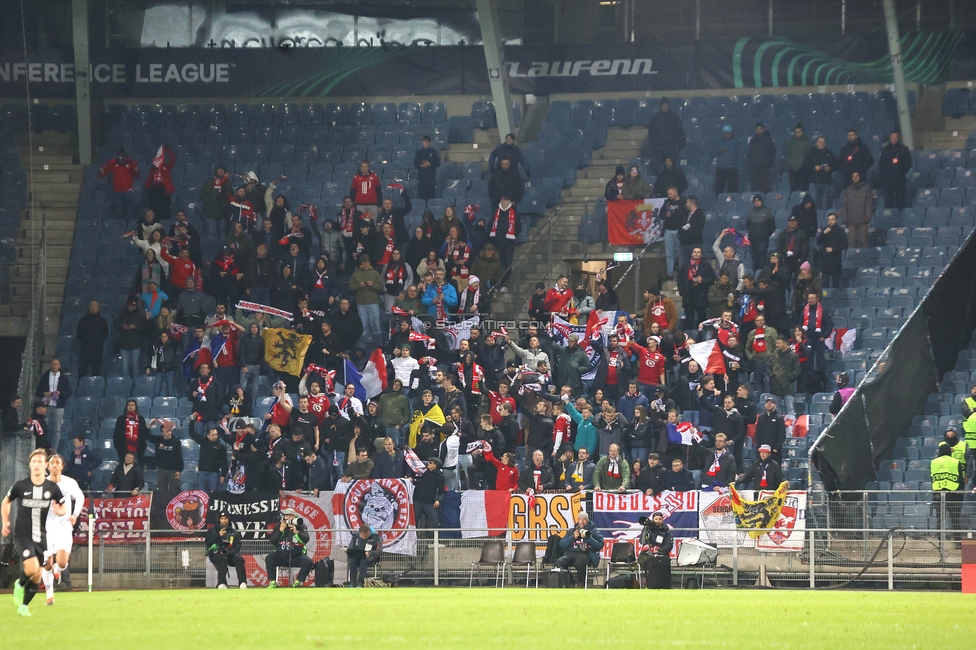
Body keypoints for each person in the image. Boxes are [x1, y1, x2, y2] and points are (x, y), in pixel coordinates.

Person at [2, 449, 67, 616]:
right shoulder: (20, 485)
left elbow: (62, 507)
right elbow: (6, 501)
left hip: (41, 536)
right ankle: (19, 583)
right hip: (23, 535)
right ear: (30, 465)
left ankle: (23, 606)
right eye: (34, 461)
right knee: (32, 568)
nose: (37, 464)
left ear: (45, 465)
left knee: (38, 574)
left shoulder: (52, 487)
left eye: (40, 461)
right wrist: (5, 521)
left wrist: (59, 511)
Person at [39, 454, 84, 602]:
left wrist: (75, 514)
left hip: (64, 525)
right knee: (47, 563)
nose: (54, 465)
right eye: (51, 463)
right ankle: (49, 595)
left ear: (62, 466)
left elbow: (80, 497)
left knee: (62, 562)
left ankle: (57, 572)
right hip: (47, 527)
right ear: (48, 466)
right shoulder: (41, 483)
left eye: (57, 463)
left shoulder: (69, 483)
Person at [265, 509, 313, 587]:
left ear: (295, 517)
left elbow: (305, 540)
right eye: (286, 516)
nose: (288, 518)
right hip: (281, 556)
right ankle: (273, 581)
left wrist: (296, 532)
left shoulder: (301, 526)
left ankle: (298, 582)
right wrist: (281, 530)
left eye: (291, 516)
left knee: (308, 561)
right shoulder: (279, 526)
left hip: (296, 556)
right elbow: (273, 541)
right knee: (269, 558)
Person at [556, 511, 605, 587]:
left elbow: (599, 545)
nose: (582, 522)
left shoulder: (594, 531)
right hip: (570, 553)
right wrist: (573, 537)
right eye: (580, 519)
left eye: (584, 519)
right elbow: (561, 544)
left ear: (587, 521)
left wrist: (588, 538)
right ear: (578, 521)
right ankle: (570, 581)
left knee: (580, 562)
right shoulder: (572, 531)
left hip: (585, 554)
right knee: (559, 562)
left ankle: (581, 583)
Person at [34, 358, 70, 454]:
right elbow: (38, 391)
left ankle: (54, 449)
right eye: (52, 364)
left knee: (57, 429)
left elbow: (68, 392)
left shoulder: (63, 378)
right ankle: (45, 447)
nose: (54, 366)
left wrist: (60, 393)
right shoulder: (45, 376)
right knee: (46, 428)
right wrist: (44, 393)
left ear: (59, 366)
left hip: (58, 406)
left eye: (56, 364)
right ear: (50, 365)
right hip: (47, 405)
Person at [205, 513, 247, 589]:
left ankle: (242, 582)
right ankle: (221, 583)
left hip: (229, 553)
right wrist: (218, 535)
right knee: (222, 559)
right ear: (219, 519)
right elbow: (208, 543)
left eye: (225, 518)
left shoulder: (233, 531)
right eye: (222, 518)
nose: (224, 520)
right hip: (215, 553)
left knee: (239, 559)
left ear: (228, 519)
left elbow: (237, 545)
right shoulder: (213, 530)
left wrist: (230, 552)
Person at [678, 245, 715, 329]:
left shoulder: (706, 265)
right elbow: (680, 279)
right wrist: (682, 292)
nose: (696, 254)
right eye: (694, 252)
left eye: (698, 252)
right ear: (691, 254)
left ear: (701, 254)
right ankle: (689, 338)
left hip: (700, 296)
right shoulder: (685, 265)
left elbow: (713, 279)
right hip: (688, 296)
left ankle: (701, 337)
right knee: (689, 319)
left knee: (701, 319)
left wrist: (703, 280)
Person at [644, 97, 685, 169]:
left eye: (666, 105)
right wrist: (652, 147)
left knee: (671, 169)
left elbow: (679, 131)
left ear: (669, 106)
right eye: (663, 105)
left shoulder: (674, 117)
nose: (665, 107)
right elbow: (651, 133)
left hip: (671, 148)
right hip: (658, 149)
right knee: (656, 168)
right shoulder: (655, 118)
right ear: (660, 106)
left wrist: (680, 144)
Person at [931, 444, 964, 532]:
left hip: (938, 494)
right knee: (955, 519)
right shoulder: (956, 461)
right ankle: (957, 542)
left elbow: (932, 478)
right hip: (953, 494)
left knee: (940, 519)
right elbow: (960, 479)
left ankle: (940, 543)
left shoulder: (934, 462)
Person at [637, 512, 674, 589]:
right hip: (649, 556)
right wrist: (645, 529)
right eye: (656, 519)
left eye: (660, 519)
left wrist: (659, 550)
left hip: (662, 556)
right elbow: (642, 542)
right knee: (642, 559)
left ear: (663, 520)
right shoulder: (649, 530)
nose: (657, 521)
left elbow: (669, 545)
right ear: (653, 520)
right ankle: (648, 583)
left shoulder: (666, 531)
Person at [145, 419, 184, 491]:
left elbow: (179, 456)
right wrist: (149, 426)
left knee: (174, 490)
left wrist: (179, 470)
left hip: (173, 470)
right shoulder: (158, 439)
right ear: (162, 433)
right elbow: (146, 435)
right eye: (166, 432)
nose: (169, 433)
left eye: (170, 431)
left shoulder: (176, 442)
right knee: (162, 490)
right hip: (161, 469)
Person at [839, 170, 873, 249]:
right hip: (851, 221)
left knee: (864, 242)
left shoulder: (866, 188)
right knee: (852, 242)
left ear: (860, 177)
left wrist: (867, 218)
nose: (855, 178)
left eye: (856, 176)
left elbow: (869, 204)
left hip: (863, 221)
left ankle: (865, 259)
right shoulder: (848, 190)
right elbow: (845, 205)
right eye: (853, 176)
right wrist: (845, 218)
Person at [878, 131, 912, 209]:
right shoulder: (885, 150)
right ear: (890, 138)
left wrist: (901, 173)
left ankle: (900, 217)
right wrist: (884, 175)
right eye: (892, 137)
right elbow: (881, 165)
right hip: (888, 180)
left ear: (898, 138)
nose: (894, 139)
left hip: (899, 179)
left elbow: (908, 164)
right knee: (888, 201)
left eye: (896, 137)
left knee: (900, 200)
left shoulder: (903, 149)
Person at [803, 136, 838, 210]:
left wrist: (830, 168)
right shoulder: (811, 153)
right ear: (816, 143)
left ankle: (824, 219)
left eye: (824, 142)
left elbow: (836, 165)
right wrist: (814, 167)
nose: (822, 144)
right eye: (820, 142)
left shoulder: (829, 153)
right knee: (814, 201)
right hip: (814, 182)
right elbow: (805, 166)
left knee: (825, 203)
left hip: (826, 182)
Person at [76, 301, 109, 377]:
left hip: (97, 349)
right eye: (92, 306)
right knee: (84, 371)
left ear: (98, 308)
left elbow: (105, 334)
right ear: (89, 308)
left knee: (96, 371)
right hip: (85, 349)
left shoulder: (102, 321)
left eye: (95, 307)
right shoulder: (83, 320)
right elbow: (79, 334)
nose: (93, 308)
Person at [769, 338, 801, 413]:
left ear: (785, 343)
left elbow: (797, 370)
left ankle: (791, 423)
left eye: (779, 343)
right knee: (775, 410)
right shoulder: (773, 355)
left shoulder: (793, 356)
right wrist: (773, 377)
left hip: (788, 386)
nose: (777, 345)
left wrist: (788, 378)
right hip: (775, 386)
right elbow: (769, 368)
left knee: (790, 408)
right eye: (776, 343)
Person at [413, 457, 445, 532]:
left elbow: (442, 491)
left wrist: (438, 500)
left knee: (435, 522)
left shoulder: (440, 477)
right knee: (414, 521)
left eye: (431, 462)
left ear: (435, 466)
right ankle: (414, 540)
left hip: (430, 502)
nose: (428, 463)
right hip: (418, 500)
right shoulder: (422, 472)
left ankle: (435, 541)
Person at [816, 212, 848, 288]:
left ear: (836, 220)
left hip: (835, 262)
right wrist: (824, 233)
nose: (830, 221)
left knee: (835, 284)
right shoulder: (825, 230)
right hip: (825, 263)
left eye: (832, 219)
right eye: (829, 220)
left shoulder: (840, 231)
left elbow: (845, 244)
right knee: (824, 285)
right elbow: (818, 241)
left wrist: (833, 249)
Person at [346, 523, 383, 587]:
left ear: (369, 532)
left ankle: (360, 582)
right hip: (357, 557)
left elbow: (380, 551)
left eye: (366, 536)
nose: (364, 538)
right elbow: (350, 548)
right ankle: (352, 582)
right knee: (353, 561)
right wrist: (352, 553)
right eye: (363, 536)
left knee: (363, 561)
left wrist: (371, 552)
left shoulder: (376, 537)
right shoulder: (356, 536)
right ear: (360, 533)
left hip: (370, 558)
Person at [746, 194, 775, 271]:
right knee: (754, 261)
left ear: (761, 201)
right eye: (755, 201)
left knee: (762, 260)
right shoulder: (750, 212)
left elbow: (772, 227)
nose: (757, 202)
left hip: (763, 240)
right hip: (752, 241)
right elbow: (748, 225)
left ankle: (761, 277)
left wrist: (765, 235)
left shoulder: (767, 212)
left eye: (758, 201)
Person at [746, 122, 776, 193]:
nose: (759, 130)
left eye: (761, 129)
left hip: (765, 169)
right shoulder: (752, 140)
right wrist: (752, 164)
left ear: (763, 130)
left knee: (765, 187)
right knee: (755, 188)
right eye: (757, 129)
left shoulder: (768, 140)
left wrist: (768, 164)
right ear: (755, 130)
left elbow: (772, 153)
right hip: (755, 169)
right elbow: (750, 154)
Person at [755, 398, 786, 463]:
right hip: (762, 449)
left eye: (771, 403)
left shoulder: (779, 418)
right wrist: (758, 446)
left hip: (774, 450)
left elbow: (782, 434)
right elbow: (757, 433)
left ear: (775, 405)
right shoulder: (761, 418)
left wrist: (776, 447)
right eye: (767, 403)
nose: (769, 405)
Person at [785, 123, 812, 193]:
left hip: (804, 170)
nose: (797, 134)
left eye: (799, 132)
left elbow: (810, 156)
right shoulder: (791, 143)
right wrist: (791, 164)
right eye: (796, 132)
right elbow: (787, 154)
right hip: (793, 170)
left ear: (802, 132)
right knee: (793, 190)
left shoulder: (807, 142)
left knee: (804, 190)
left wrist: (805, 166)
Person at [714, 124, 740, 196]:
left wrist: (738, 166)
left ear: (731, 133)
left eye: (728, 133)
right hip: (721, 168)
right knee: (719, 188)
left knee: (732, 189)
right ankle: (719, 202)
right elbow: (712, 153)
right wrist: (719, 151)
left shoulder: (735, 142)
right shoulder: (718, 141)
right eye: (725, 133)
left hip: (732, 168)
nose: (727, 135)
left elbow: (739, 155)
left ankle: (731, 202)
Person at [414, 135, 440, 200]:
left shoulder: (433, 152)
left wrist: (430, 164)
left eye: (427, 142)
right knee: (422, 196)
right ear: (422, 142)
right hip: (421, 178)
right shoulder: (419, 152)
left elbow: (437, 163)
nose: (425, 143)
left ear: (429, 142)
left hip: (431, 178)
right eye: (424, 141)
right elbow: (415, 163)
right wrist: (422, 165)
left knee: (430, 195)